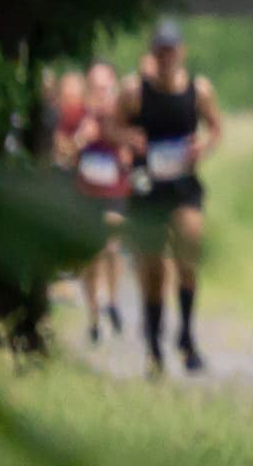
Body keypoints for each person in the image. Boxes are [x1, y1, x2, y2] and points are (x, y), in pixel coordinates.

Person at [119, 20, 221, 375]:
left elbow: (217, 128)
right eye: (159, 50)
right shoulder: (135, 91)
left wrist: (203, 147)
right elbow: (111, 125)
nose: (165, 57)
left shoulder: (199, 90)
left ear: (181, 52)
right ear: (153, 53)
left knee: (188, 252)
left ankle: (187, 335)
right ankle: (153, 347)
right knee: (153, 268)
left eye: (171, 50)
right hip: (148, 188)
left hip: (183, 187)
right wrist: (128, 138)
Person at [52, 65, 131, 342]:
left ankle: (112, 301)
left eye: (106, 88)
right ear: (89, 89)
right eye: (96, 88)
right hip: (85, 194)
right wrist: (81, 138)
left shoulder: (121, 117)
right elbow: (61, 151)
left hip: (114, 191)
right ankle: (95, 316)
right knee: (92, 257)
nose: (102, 93)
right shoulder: (75, 115)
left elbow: (135, 149)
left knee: (112, 245)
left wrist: (125, 150)